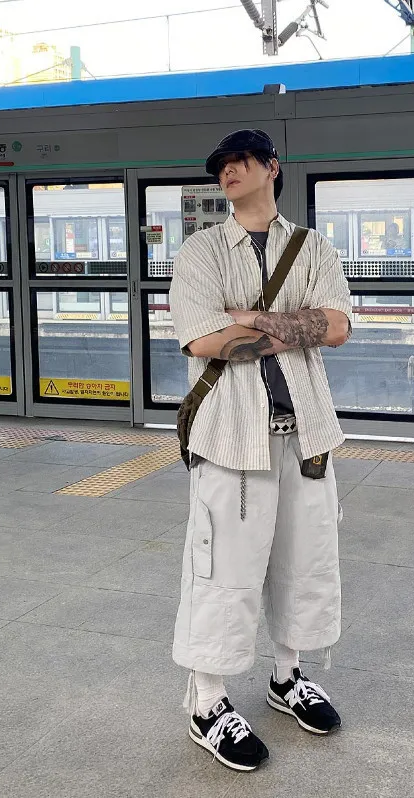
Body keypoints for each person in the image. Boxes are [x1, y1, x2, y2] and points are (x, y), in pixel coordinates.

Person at [169, 129, 352, 773]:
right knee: (224, 569)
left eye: (241, 162)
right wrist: (279, 325)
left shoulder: (311, 247)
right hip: (229, 437)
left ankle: (286, 676)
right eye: (221, 166)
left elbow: (337, 326)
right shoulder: (200, 252)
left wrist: (252, 319)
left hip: (305, 435)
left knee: (306, 560)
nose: (229, 173)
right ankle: (208, 702)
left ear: (271, 168)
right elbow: (200, 340)